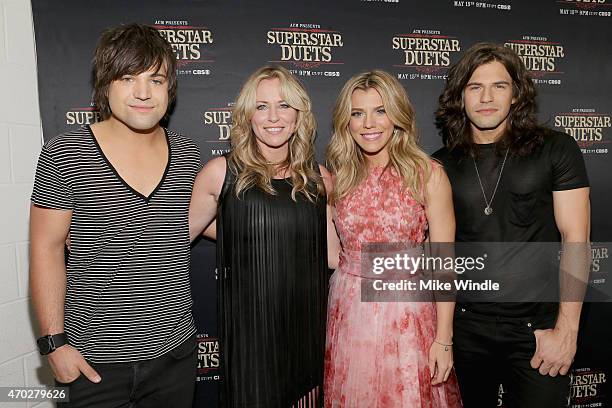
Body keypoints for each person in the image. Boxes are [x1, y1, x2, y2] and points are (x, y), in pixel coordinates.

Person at [29, 24, 201, 408]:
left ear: (169, 89)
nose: (143, 92)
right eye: (128, 78)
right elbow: (46, 249)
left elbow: (233, 222)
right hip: (93, 366)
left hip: (175, 356)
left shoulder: (190, 156)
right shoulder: (65, 154)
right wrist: (53, 344)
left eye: (155, 79)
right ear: (105, 84)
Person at [433, 42, 591, 407]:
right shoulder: (439, 165)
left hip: (537, 331)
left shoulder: (556, 148)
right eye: (474, 87)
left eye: (499, 86)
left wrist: (567, 330)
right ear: (460, 96)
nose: (486, 97)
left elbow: (577, 240)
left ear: (516, 93)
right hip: (466, 330)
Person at [189, 65, 337, 407]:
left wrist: (403, 266)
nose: (274, 117)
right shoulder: (220, 173)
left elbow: (335, 255)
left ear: (299, 116)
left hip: (306, 333)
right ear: (247, 116)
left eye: (284, 105)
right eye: (261, 106)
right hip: (251, 340)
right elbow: (174, 239)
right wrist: (96, 243)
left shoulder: (320, 179)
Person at [324, 70, 462, 407]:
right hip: (350, 310)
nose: (368, 123)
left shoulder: (427, 174)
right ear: (346, 121)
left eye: (380, 110)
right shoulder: (336, 176)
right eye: (357, 113)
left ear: (397, 115)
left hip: (408, 314)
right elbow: (331, 256)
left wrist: (444, 339)